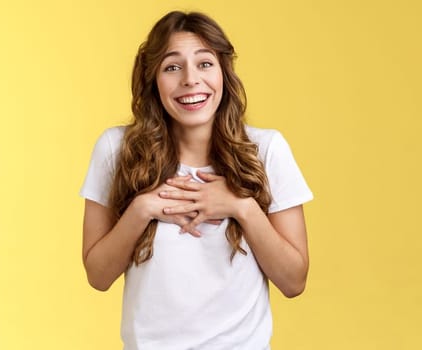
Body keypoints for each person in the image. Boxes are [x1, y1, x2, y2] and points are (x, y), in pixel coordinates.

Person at [79, 11, 313, 349]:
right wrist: (142, 208)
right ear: (153, 79)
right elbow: (98, 276)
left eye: (205, 63)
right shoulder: (117, 149)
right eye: (172, 67)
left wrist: (241, 206)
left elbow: (294, 281)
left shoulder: (266, 150)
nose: (190, 79)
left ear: (223, 74)